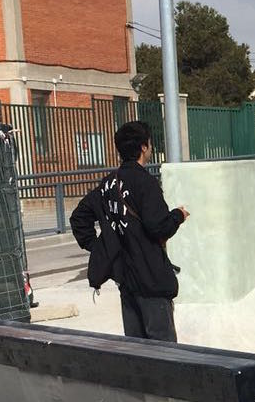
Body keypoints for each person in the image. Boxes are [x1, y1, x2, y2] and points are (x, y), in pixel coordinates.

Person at [70, 120, 189, 342]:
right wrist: (178, 215)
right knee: (164, 351)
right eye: (149, 143)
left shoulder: (109, 183)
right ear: (144, 147)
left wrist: (99, 247)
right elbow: (158, 227)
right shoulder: (145, 182)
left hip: (125, 279)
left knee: (135, 347)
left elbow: (79, 218)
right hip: (151, 279)